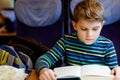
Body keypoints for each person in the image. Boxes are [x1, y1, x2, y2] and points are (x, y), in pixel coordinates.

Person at [35, 0, 120, 80]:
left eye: (95, 29)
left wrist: (117, 70)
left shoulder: (107, 45)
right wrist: (43, 70)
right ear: (74, 25)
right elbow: (44, 59)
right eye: (83, 29)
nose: (89, 35)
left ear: (102, 25)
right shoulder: (66, 41)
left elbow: (114, 70)